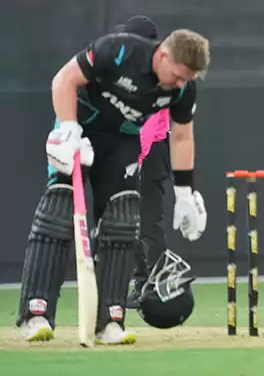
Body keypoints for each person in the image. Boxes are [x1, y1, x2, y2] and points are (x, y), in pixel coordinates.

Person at [16, 23, 210, 345]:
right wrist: (68, 130)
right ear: (163, 55)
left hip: (122, 140)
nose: (179, 84)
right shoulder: (119, 50)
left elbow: (181, 135)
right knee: (58, 211)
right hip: (79, 126)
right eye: (177, 76)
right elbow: (64, 80)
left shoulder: (181, 88)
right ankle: (36, 314)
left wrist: (185, 193)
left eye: (186, 80)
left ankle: (110, 319)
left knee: (122, 220)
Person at [109, 16, 207, 310]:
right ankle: (142, 282)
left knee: (147, 219)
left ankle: (157, 284)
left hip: (151, 151)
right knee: (129, 220)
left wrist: (184, 193)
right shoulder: (132, 69)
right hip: (131, 151)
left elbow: (161, 130)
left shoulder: (163, 77)